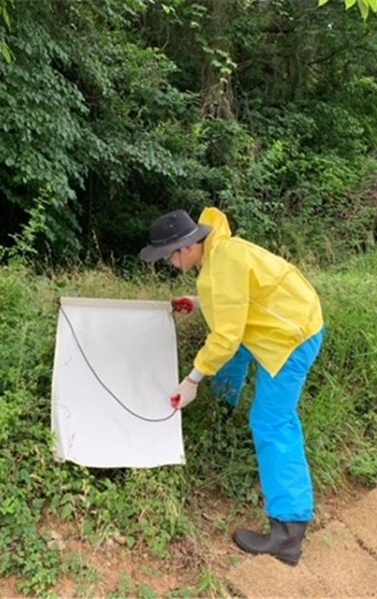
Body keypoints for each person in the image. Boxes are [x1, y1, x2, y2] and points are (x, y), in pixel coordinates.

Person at [139, 207, 325, 566]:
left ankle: (288, 532)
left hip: (291, 337)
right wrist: (197, 303)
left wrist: (192, 380)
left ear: (186, 247)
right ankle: (222, 414)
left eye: (168, 257)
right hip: (286, 320)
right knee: (233, 352)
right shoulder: (220, 249)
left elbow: (226, 333)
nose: (169, 264)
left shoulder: (223, 262)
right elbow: (237, 301)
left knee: (273, 422)